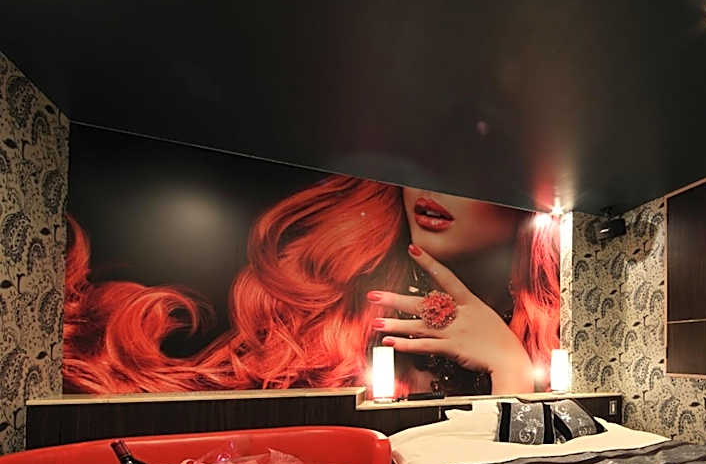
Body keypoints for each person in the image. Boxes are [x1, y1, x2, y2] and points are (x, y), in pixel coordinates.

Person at [64, 174, 560, 396]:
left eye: (468, 171)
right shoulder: (340, 304)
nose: (430, 186)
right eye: (418, 166)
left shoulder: (548, 327)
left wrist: (511, 365)